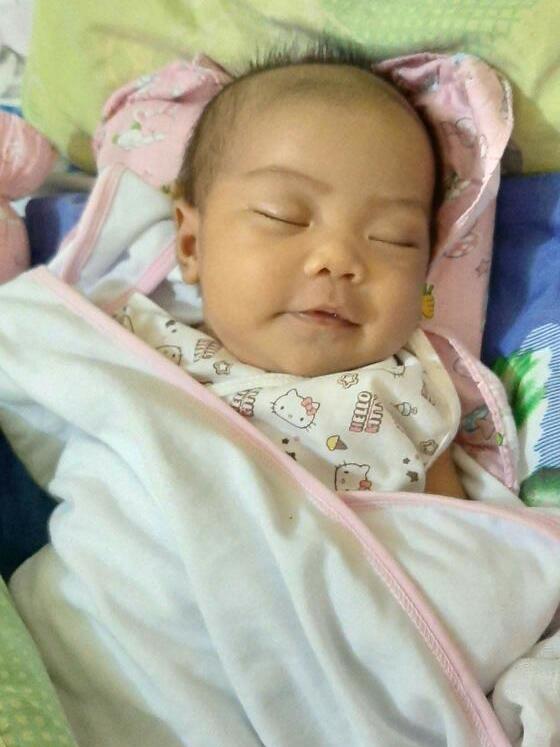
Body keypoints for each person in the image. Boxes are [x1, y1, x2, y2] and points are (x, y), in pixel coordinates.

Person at [113, 42, 467, 499]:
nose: (337, 259)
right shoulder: (135, 345)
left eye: (392, 237)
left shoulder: (409, 402)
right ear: (190, 244)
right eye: (283, 216)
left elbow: (456, 533)